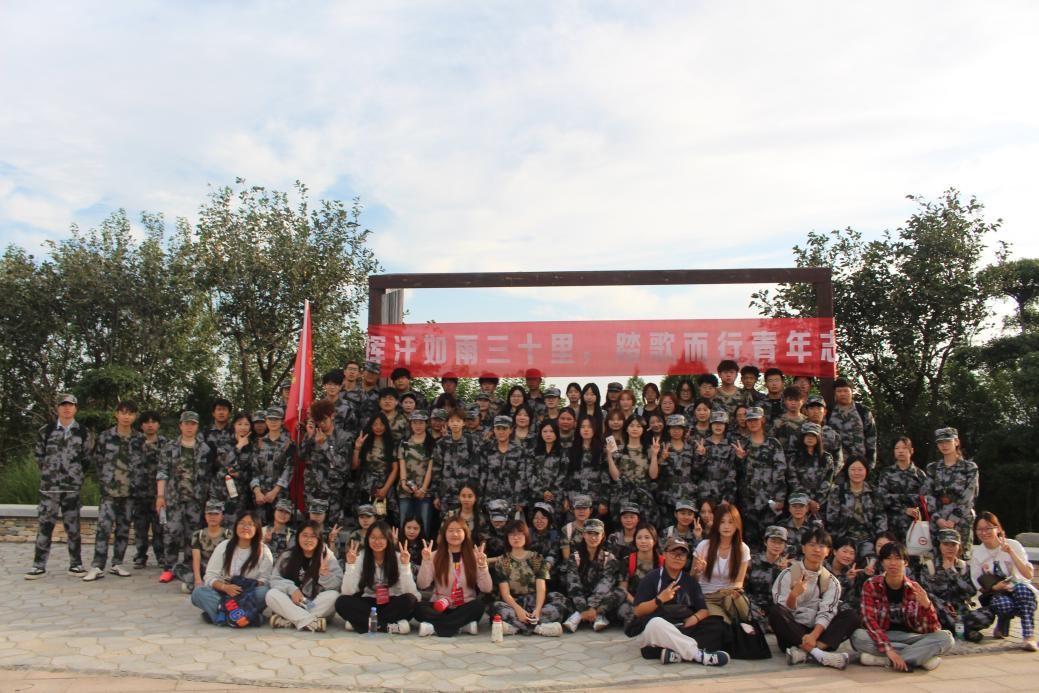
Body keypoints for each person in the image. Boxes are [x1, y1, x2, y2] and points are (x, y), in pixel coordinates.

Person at [625, 536, 730, 667]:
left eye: (682, 554)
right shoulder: (651, 578)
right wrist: (659, 599)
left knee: (717, 625)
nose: (678, 557)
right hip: (658, 630)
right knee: (655, 623)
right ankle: (700, 656)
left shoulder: (690, 581)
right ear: (664, 554)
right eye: (674, 553)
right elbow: (638, 611)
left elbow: (703, 610)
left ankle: (673, 654)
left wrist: (695, 618)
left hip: (683, 627)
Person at [853, 542, 954, 671]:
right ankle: (921, 658)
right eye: (888, 558)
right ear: (882, 562)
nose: (893, 563)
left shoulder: (915, 589)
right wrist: (888, 649)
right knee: (858, 636)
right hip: (884, 635)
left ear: (905, 562)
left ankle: (885, 660)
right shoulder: (871, 585)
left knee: (946, 638)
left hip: (911, 637)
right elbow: (869, 620)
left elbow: (931, 629)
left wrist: (927, 606)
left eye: (897, 558)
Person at [770, 527, 860, 669]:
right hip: (793, 633)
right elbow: (784, 609)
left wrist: (813, 636)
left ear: (828, 551)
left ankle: (806, 653)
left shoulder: (832, 581)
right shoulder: (787, 575)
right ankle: (819, 654)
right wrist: (793, 595)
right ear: (803, 548)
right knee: (776, 611)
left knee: (851, 616)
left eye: (821, 546)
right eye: (812, 545)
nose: (817, 550)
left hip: (818, 632)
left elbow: (827, 612)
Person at [26, 393, 93, 580]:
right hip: (50, 488)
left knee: (73, 528)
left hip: (72, 488)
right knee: (45, 526)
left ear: (75, 408)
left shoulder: (83, 432)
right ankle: (38, 566)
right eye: (63, 405)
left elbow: (86, 458)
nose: (67, 408)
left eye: (70, 405)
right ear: (58, 408)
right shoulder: (46, 430)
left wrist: (74, 475)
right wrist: (50, 473)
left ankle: (76, 564)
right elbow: (39, 456)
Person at [85, 400, 143, 581]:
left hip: (130, 492)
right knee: (104, 528)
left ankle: (117, 563)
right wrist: (105, 482)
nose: (126, 416)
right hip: (109, 492)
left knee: (123, 529)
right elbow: (98, 461)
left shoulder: (139, 439)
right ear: (116, 414)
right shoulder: (105, 436)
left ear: (135, 416)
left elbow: (142, 465)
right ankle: (97, 565)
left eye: (130, 413)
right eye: (123, 412)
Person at [156, 411, 211, 584]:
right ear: (180, 425)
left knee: (192, 535)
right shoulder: (170, 447)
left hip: (196, 499)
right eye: (186, 424)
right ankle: (169, 567)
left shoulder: (204, 448)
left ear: (197, 426)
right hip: (174, 497)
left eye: (193, 424)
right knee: (172, 532)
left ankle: (189, 566)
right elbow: (162, 471)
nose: (189, 427)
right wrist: (160, 495)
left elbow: (208, 475)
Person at [191, 509, 273, 625]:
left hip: (249, 594)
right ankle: (245, 618)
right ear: (236, 526)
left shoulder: (264, 550)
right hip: (224, 592)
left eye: (250, 524)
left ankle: (222, 615)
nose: (245, 527)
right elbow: (210, 576)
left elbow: (265, 579)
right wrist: (225, 587)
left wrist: (244, 587)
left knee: (265, 592)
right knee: (198, 593)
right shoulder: (224, 546)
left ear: (257, 529)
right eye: (242, 523)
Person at [415, 517, 493, 637]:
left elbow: (487, 588)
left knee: (478, 606)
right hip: (441, 605)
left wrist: (483, 566)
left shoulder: (474, 556)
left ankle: (436, 627)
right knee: (419, 608)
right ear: (444, 534)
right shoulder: (435, 555)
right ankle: (460, 626)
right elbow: (422, 584)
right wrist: (426, 561)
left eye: (458, 530)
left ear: (465, 534)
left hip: (464, 606)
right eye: (450, 530)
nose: (455, 534)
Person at [336, 520, 418, 633]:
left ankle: (362, 623)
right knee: (341, 602)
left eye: (382, 538)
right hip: (369, 602)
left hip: (391, 603)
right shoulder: (361, 557)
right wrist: (350, 565)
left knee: (410, 600)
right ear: (368, 539)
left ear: (388, 539)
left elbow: (410, 591)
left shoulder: (399, 557)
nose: (377, 541)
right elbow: (348, 591)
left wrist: (405, 566)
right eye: (373, 537)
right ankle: (386, 626)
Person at [970, 511, 1037, 650]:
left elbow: (1028, 575)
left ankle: (1029, 636)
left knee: (1023, 592)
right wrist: (995, 587)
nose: (984, 533)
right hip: (996, 593)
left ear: (998, 528)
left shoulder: (1013, 545)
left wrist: (1011, 552)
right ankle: (1002, 622)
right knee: (1004, 605)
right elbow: (977, 583)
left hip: (1019, 588)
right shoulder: (977, 554)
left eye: (988, 528)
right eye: (979, 529)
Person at [492, 519, 566, 636]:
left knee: (559, 599)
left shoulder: (536, 558)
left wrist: (538, 609)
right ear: (507, 538)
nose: (516, 537)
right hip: (515, 602)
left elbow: (541, 588)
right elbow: (505, 594)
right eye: (512, 534)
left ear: (526, 536)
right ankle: (539, 628)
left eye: (520, 534)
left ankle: (517, 627)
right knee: (497, 607)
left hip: (535, 600)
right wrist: (519, 610)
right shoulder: (503, 561)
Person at [919, 528, 987, 642]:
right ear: (940, 546)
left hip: (960, 611)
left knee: (987, 615)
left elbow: (971, 592)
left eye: (953, 545)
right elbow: (926, 593)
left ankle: (954, 628)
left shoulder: (964, 567)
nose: (950, 548)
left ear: (959, 547)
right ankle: (965, 631)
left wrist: (953, 573)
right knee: (931, 601)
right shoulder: (930, 566)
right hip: (939, 611)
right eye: (946, 544)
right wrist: (944, 605)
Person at [735, 407, 787, 547]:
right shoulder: (743, 443)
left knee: (769, 538)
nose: (753, 423)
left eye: (756, 420)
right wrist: (739, 459)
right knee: (749, 539)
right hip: (748, 500)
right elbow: (736, 472)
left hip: (768, 499)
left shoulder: (773, 443)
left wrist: (780, 497)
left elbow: (780, 470)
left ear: (762, 420)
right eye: (749, 420)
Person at [691, 502, 751, 624]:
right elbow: (692, 580)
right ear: (716, 524)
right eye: (722, 522)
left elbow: (739, 582)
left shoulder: (743, 548)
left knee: (742, 609)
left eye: (731, 522)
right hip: (708, 597)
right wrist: (698, 571)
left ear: (737, 524)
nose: (726, 526)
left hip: (729, 595)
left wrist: (731, 590)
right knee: (723, 623)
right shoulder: (704, 546)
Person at [562, 519, 625, 632]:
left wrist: (592, 607)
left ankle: (590, 615)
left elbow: (605, 585)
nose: (593, 537)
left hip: (599, 600)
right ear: (583, 535)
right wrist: (583, 608)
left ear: (603, 535)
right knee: (558, 596)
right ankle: (587, 615)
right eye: (589, 533)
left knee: (620, 592)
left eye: (597, 534)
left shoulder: (609, 558)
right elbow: (574, 586)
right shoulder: (575, 557)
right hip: (580, 599)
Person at [927, 427, 979, 558]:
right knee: (938, 559)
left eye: (947, 441)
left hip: (961, 521)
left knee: (962, 559)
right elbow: (928, 494)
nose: (944, 445)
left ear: (956, 442)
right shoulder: (933, 468)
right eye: (940, 442)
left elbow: (970, 495)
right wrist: (937, 518)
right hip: (938, 521)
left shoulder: (969, 467)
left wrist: (953, 519)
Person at [825, 457, 887, 565]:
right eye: (853, 469)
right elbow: (831, 518)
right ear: (847, 471)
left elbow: (881, 517)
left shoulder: (873, 492)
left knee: (870, 565)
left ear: (866, 471)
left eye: (860, 469)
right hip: (844, 538)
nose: (856, 473)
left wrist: (879, 538)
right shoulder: (838, 491)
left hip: (868, 539)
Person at [878, 436, 932, 542]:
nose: (900, 451)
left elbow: (923, 499)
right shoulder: (887, 473)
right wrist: (904, 508)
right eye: (897, 448)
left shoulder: (919, 474)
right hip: (891, 524)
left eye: (904, 448)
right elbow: (882, 498)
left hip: (914, 525)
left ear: (911, 450)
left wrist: (895, 498)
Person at [133, 410, 166, 569]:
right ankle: (140, 555)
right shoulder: (134, 443)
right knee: (140, 527)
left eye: (153, 422)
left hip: (158, 493)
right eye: (146, 422)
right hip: (138, 492)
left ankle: (161, 556)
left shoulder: (165, 444)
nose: (150, 425)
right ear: (141, 425)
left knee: (159, 527)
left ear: (158, 425)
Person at [353, 412, 398, 521]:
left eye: (381, 424)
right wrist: (357, 448)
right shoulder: (365, 442)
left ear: (386, 426)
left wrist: (385, 489)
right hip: (367, 486)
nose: (378, 427)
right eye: (375, 424)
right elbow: (354, 466)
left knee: (383, 520)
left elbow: (395, 469)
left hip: (385, 485)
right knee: (366, 518)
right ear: (371, 426)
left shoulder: (391, 443)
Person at [433, 410, 480, 516]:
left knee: (465, 522)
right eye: (452, 421)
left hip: (465, 495)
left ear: (463, 423)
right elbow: (436, 471)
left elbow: (476, 469)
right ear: (448, 423)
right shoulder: (441, 444)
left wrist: (473, 493)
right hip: (446, 494)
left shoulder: (471, 442)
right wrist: (436, 495)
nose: (455, 424)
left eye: (458, 421)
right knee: (446, 523)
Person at [826, 377, 878, 471]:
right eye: (839, 391)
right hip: (836, 465)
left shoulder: (863, 411)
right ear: (835, 393)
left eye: (846, 391)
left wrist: (870, 463)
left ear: (852, 392)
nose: (843, 394)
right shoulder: (828, 412)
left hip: (859, 465)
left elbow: (871, 437)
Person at [396, 411, 434, 537]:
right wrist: (403, 482)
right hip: (405, 489)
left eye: (421, 423)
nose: (418, 426)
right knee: (404, 524)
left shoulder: (431, 443)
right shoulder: (404, 442)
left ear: (426, 424)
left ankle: (424, 548)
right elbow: (401, 463)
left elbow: (431, 467)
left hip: (424, 490)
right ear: (411, 424)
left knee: (424, 524)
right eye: (415, 423)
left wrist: (423, 488)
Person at [618, 524, 663, 625]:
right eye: (639, 538)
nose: (643, 541)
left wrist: (652, 604)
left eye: (647, 537)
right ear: (635, 541)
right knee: (623, 610)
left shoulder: (663, 562)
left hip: (656, 603)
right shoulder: (627, 560)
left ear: (654, 540)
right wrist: (636, 603)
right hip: (634, 602)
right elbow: (623, 588)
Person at [746, 526, 790, 628]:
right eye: (773, 541)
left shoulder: (789, 566)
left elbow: (790, 595)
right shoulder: (752, 562)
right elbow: (743, 588)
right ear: (765, 542)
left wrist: (783, 572)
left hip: (777, 611)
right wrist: (752, 606)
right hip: (753, 607)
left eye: (780, 542)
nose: (776, 546)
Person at [692, 410, 738, 508]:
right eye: (715, 423)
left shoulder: (731, 446)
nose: (718, 426)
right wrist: (701, 456)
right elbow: (695, 471)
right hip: (703, 492)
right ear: (711, 425)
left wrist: (727, 498)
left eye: (721, 424)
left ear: (725, 426)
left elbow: (732, 474)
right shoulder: (702, 444)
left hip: (722, 493)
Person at [786, 422, 838, 510]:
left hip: (821, 503)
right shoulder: (794, 458)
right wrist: (808, 500)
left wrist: (816, 501)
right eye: (807, 435)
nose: (810, 438)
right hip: (799, 502)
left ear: (818, 438)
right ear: (803, 437)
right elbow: (793, 480)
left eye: (813, 436)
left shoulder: (826, 458)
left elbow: (828, 480)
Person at [188, 501, 233, 594]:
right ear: (205, 516)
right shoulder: (198, 534)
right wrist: (198, 580)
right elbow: (196, 558)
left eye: (216, 514)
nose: (212, 517)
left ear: (222, 516)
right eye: (209, 514)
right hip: (204, 569)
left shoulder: (228, 534)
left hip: (221, 570)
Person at [530, 419, 567, 513]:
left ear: (556, 433)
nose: (548, 434)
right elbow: (530, 474)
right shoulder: (534, 452)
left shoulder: (563, 453)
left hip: (556, 498)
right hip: (536, 496)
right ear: (540, 433)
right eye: (545, 431)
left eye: (551, 431)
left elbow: (563, 475)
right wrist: (542, 492)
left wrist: (552, 492)